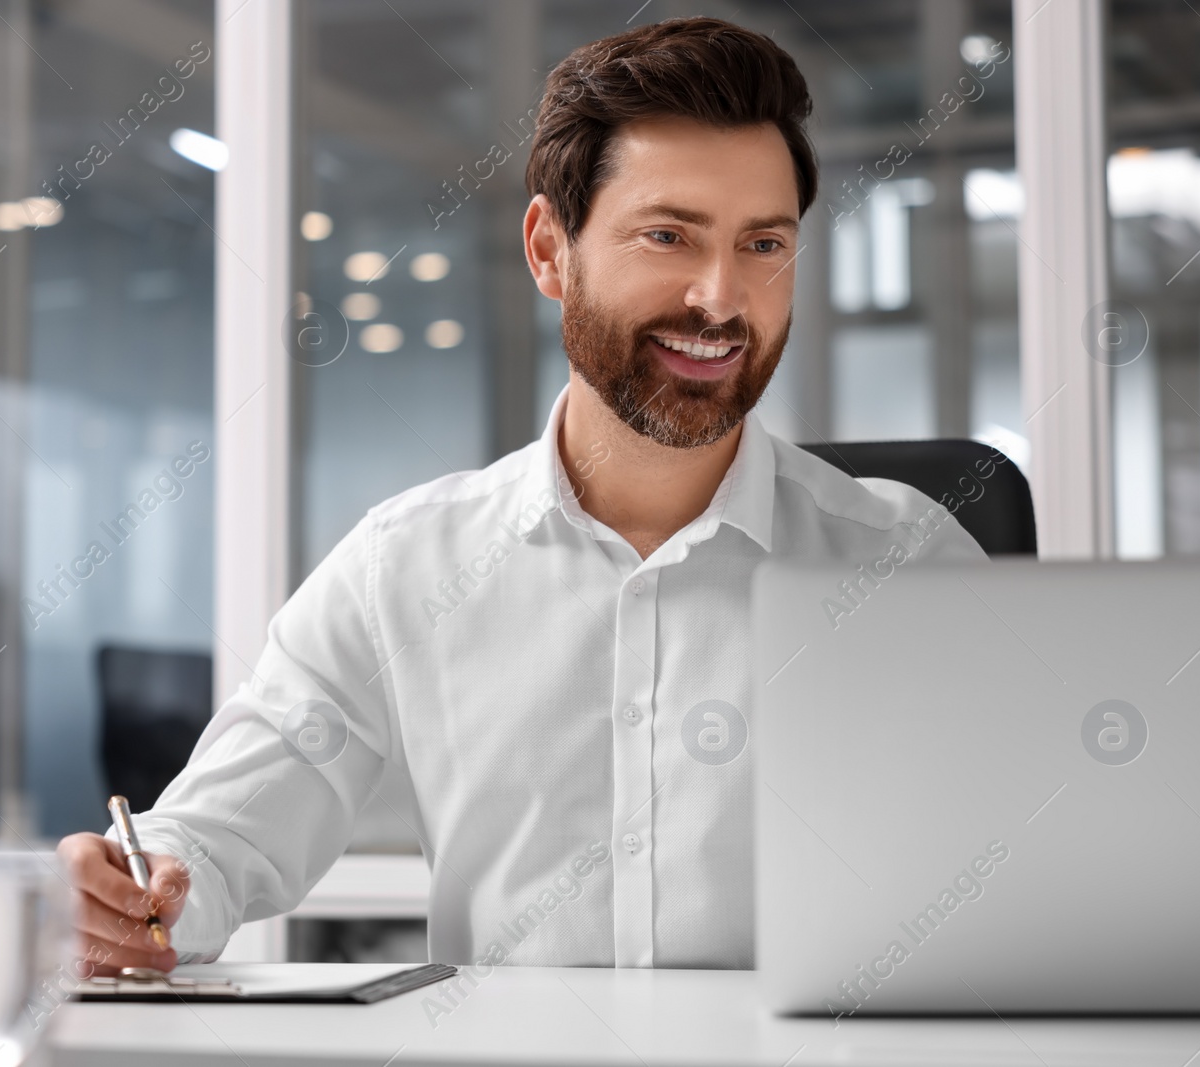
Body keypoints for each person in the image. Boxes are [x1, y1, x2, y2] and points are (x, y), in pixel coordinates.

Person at [57, 15, 985, 975]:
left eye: (763, 244)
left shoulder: (903, 561)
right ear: (550, 249)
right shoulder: (408, 564)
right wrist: (139, 891)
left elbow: (1022, 871)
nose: (720, 296)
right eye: (668, 235)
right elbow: (216, 837)